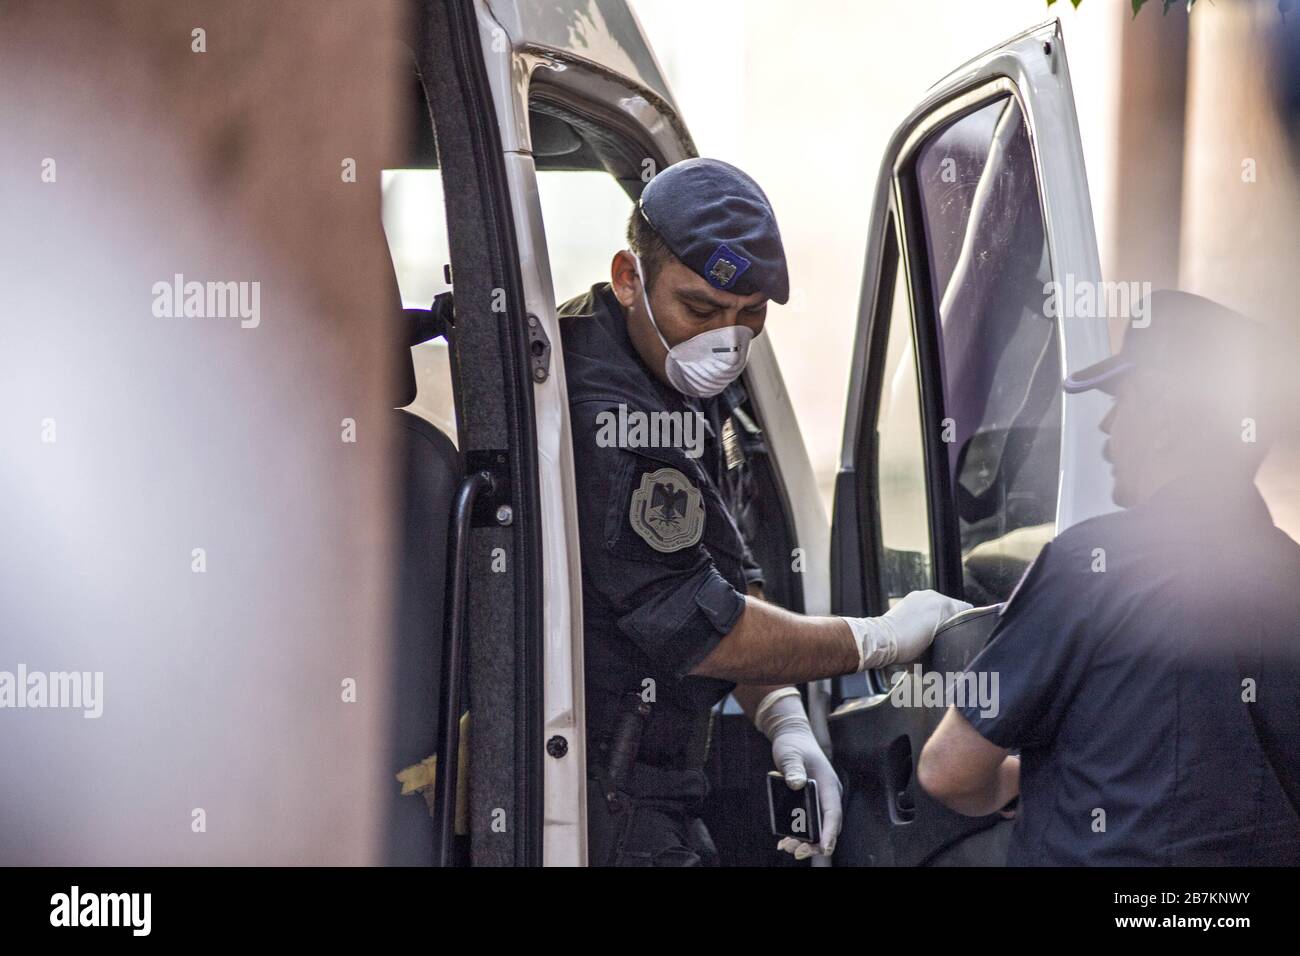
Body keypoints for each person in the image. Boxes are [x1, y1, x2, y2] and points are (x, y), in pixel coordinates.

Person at [559, 158, 969, 866]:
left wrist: (780, 714)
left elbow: (721, 571)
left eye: (751, 315)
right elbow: (707, 628)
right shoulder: (613, 418)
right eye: (702, 309)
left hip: (661, 779)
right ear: (629, 277)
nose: (726, 338)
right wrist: (878, 638)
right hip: (601, 795)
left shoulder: (675, 366)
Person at [918, 290, 1300, 865]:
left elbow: (948, 770)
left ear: (1165, 420)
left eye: (1123, 402)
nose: (1107, 424)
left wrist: (1008, 784)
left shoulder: (1088, 566)